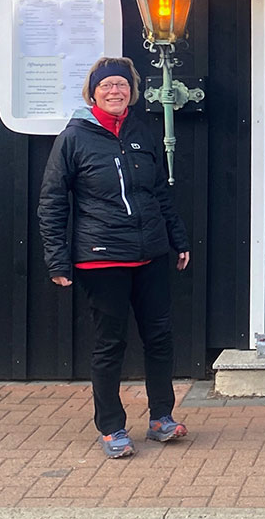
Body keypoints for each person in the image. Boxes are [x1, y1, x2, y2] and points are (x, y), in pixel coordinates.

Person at [37, 56, 192, 459]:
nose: (115, 91)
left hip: (151, 255)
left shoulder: (143, 132)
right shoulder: (73, 139)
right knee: (110, 344)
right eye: (106, 86)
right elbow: (52, 201)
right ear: (93, 92)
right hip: (101, 258)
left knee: (159, 338)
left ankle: (161, 417)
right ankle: (111, 427)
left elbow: (159, 192)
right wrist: (57, 260)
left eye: (121, 85)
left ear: (131, 92)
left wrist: (178, 239)